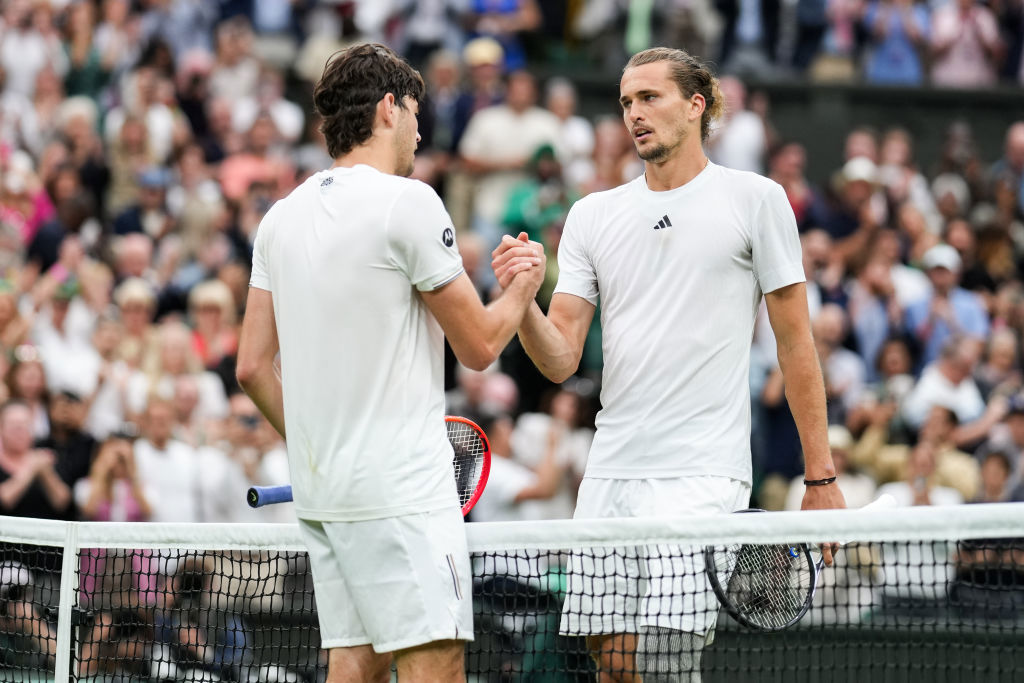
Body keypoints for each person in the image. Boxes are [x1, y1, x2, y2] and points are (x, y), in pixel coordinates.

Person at [491, 47, 846, 682]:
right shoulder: (593, 215)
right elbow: (560, 359)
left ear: (695, 105)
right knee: (614, 667)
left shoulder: (756, 199)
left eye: (649, 98)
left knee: (663, 665)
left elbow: (796, 347)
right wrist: (522, 300)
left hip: (704, 474)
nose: (634, 113)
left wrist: (820, 479)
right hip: (612, 472)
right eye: (626, 101)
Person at [235, 44, 545, 683]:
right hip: (399, 488)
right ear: (387, 108)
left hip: (326, 491)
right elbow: (481, 347)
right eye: (414, 113)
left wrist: (318, 443)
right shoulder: (410, 201)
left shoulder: (278, 219)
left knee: (357, 665)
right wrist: (522, 285)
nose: (421, 131)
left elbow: (250, 369)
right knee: (435, 667)